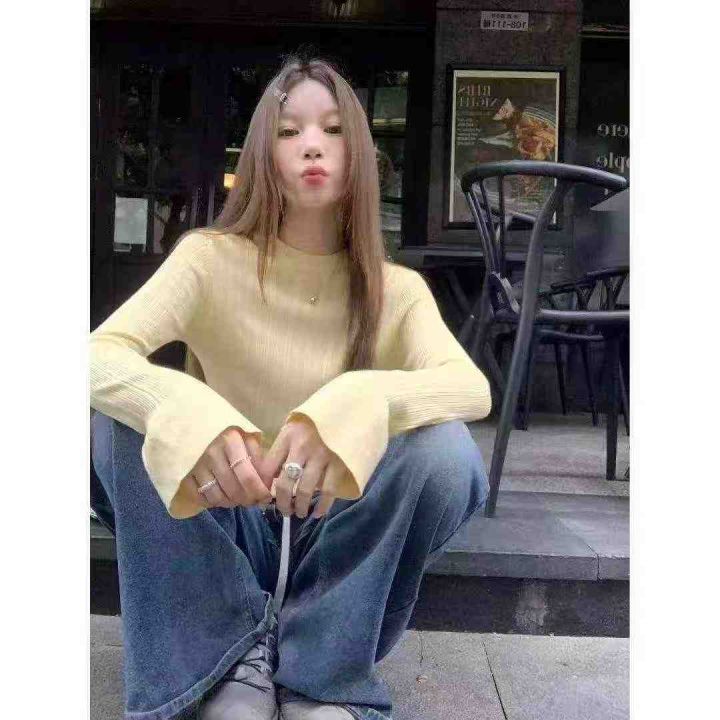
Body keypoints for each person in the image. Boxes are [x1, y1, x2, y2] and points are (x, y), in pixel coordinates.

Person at [89, 54, 492, 720]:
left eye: (333, 130)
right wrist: (178, 404)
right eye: (288, 130)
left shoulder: (397, 291)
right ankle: (218, 664)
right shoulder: (207, 258)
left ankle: (320, 675)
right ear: (262, 151)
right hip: (225, 520)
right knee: (115, 420)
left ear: (358, 153)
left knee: (445, 453)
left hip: (335, 533)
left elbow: (469, 388)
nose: (311, 144)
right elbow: (95, 356)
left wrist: (361, 400)